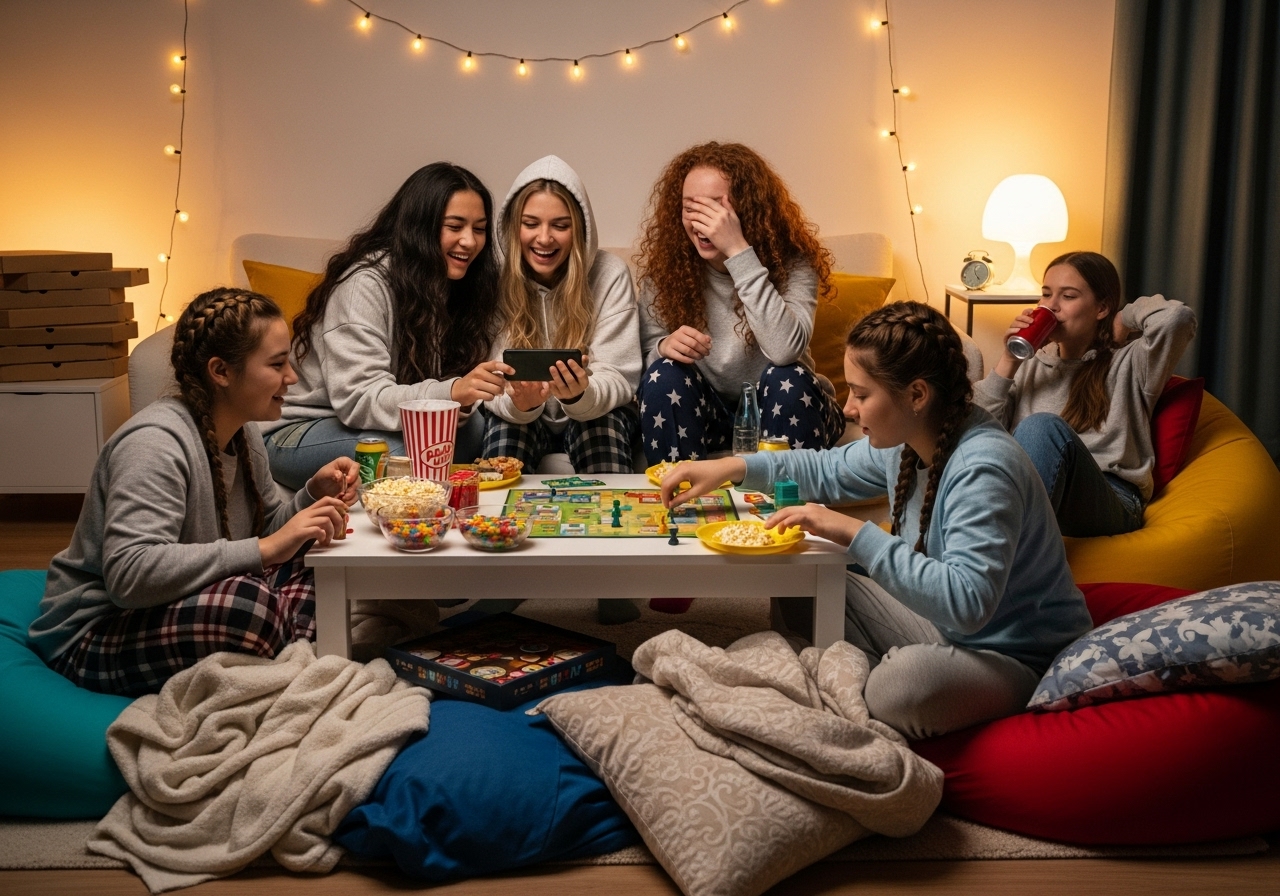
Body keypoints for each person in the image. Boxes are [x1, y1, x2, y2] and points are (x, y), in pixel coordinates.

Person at [659, 301, 1093, 740]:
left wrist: (851, 531)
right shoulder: (911, 439)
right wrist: (729, 468)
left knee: (901, 687)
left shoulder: (983, 467)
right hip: (943, 627)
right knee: (804, 577)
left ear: (917, 395)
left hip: (1015, 655)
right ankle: (853, 677)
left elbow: (967, 605)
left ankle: (858, 679)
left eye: (862, 395)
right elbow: (824, 469)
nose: (849, 409)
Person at [29, 288, 358, 697]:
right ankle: (288, 637)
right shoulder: (154, 443)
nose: (291, 377)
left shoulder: (243, 430)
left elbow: (266, 528)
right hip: (99, 629)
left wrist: (311, 495)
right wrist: (267, 550)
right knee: (248, 606)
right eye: (277, 365)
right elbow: (129, 575)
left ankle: (281, 637)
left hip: (181, 601)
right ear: (221, 371)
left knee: (327, 563)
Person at [265, 162, 508, 490]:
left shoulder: (459, 285)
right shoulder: (364, 284)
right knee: (403, 461)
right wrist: (450, 392)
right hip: (304, 428)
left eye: (479, 229)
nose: (469, 241)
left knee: (478, 432)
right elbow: (359, 398)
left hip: (387, 425)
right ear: (421, 226)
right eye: (455, 226)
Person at [635, 142, 845, 465]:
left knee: (786, 378)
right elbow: (645, 370)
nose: (703, 221)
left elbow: (785, 350)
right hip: (709, 415)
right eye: (691, 207)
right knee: (664, 377)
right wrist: (663, 347)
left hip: (785, 405)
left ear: (747, 207)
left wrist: (737, 250)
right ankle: (684, 508)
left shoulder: (793, 264)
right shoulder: (666, 271)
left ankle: (792, 512)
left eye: (717, 207)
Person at [973, 251, 1197, 537]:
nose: (1051, 307)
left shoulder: (1130, 362)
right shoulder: (1031, 364)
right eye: (1045, 294)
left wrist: (1124, 318)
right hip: (1032, 493)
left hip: (1110, 498)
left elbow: (1177, 319)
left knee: (1041, 427)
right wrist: (1008, 361)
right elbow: (978, 431)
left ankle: (1001, 558)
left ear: (1101, 308)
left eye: (1068, 296)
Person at [481, 155, 641, 473]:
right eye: (531, 224)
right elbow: (489, 380)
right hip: (519, 415)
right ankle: (497, 523)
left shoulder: (610, 274)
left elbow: (621, 378)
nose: (544, 238)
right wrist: (519, 403)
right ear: (514, 227)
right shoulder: (494, 280)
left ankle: (610, 525)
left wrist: (579, 396)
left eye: (560, 225)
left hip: (596, 410)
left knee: (601, 431)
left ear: (578, 229)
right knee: (503, 442)